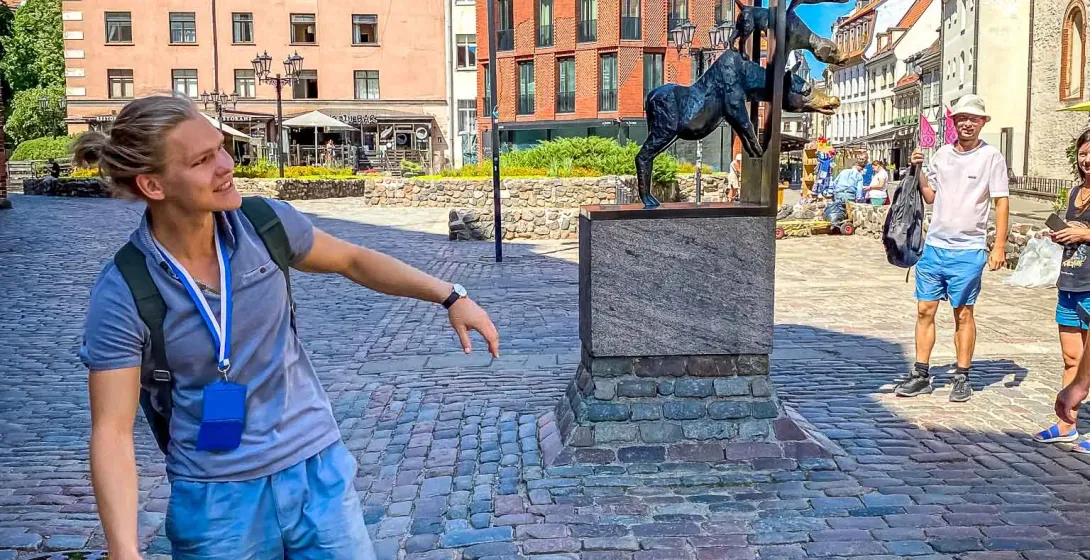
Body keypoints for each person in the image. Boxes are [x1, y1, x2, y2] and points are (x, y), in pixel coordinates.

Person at [75, 95, 501, 560]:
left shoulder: (264, 225)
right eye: (202, 160)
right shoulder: (124, 290)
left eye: (220, 148)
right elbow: (112, 432)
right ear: (153, 185)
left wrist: (450, 296)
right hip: (216, 500)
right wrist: (124, 550)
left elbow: (354, 260)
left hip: (317, 472)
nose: (226, 165)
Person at [895, 94, 1010, 402]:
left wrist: (998, 245)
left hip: (968, 249)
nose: (967, 123)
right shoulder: (943, 155)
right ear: (953, 123)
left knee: (963, 313)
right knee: (924, 310)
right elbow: (930, 196)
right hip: (934, 246)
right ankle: (921, 373)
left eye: (973, 118)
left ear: (983, 122)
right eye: (961, 119)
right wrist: (917, 171)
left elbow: (1001, 202)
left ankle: (962, 374)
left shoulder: (991, 158)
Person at [1037, 129, 1090, 451]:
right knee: (1072, 358)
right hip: (1070, 280)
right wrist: (1060, 235)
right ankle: (1066, 424)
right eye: (1083, 153)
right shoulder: (1074, 193)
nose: (1088, 160)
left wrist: (1084, 235)